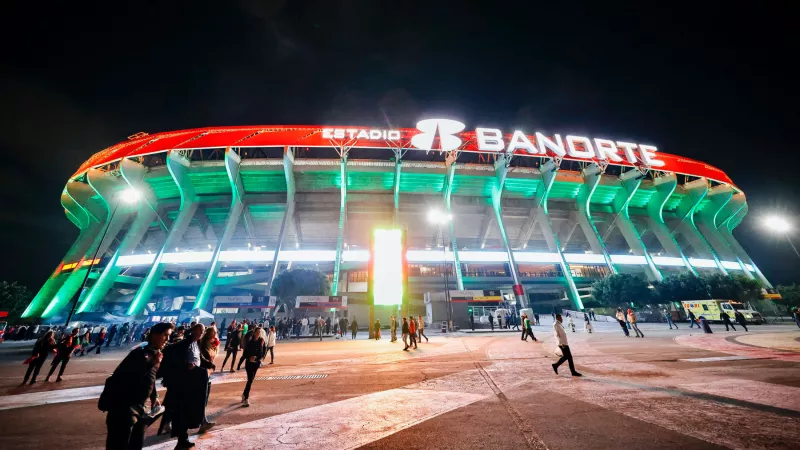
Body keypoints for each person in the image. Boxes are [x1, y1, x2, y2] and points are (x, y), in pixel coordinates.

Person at [102, 322, 173, 450]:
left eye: (169, 336)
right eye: (165, 335)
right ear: (154, 335)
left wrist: (154, 396)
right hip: (124, 407)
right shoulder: (139, 353)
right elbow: (125, 376)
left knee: (135, 444)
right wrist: (152, 364)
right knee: (119, 445)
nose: (167, 339)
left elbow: (150, 378)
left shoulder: (155, 354)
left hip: (140, 407)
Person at [162, 323, 207, 448]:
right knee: (181, 412)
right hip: (183, 383)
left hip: (192, 382)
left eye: (203, 331)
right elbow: (179, 362)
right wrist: (187, 367)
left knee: (186, 412)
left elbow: (200, 358)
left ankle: (183, 439)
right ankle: (180, 439)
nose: (202, 333)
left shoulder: (196, 344)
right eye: (200, 331)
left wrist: (209, 365)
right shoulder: (184, 344)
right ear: (193, 331)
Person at [198, 327, 220, 433]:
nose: (214, 334)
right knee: (200, 398)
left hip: (207, 372)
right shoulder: (202, 343)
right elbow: (202, 359)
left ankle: (203, 421)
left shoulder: (212, 344)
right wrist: (209, 365)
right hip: (201, 372)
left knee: (204, 398)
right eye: (213, 332)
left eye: (215, 333)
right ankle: (202, 422)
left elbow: (212, 356)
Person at [241, 327, 267, 407]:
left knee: (251, 380)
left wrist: (260, 358)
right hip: (249, 363)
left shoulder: (261, 341)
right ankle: (246, 398)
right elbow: (244, 354)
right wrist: (249, 358)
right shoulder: (250, 341)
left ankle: (244, 394)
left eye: (260, 332)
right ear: (254, 332)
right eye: (257, 332)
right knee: (250, 380)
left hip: (256, 364)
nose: (258, 333)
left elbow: (263, 352)